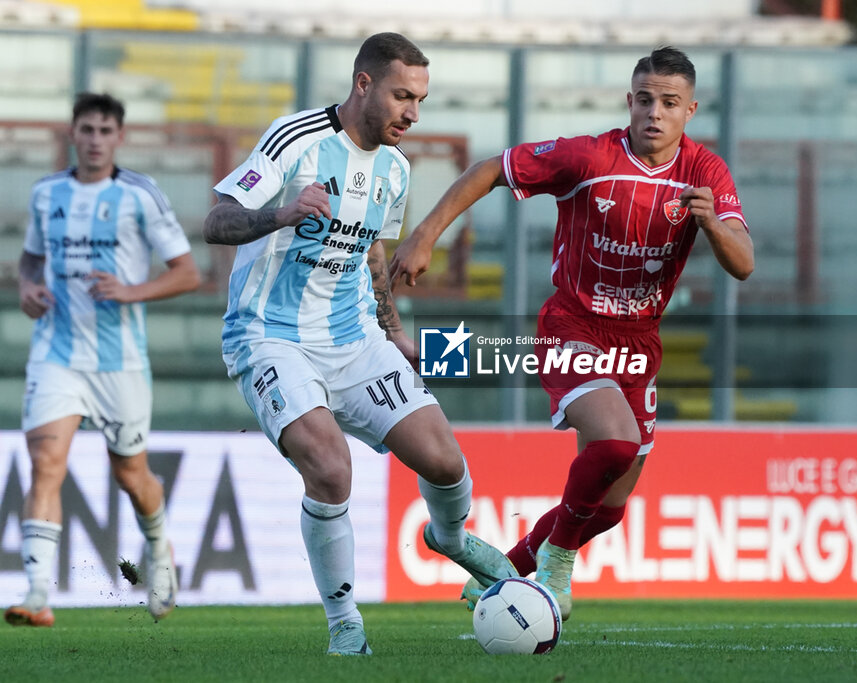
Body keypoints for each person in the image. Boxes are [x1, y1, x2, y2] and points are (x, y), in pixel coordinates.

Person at [390, 47, 754, 620]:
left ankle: (502, 570)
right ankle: (558, 565)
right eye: (643, 99)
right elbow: (492, 169)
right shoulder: (589, 156)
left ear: (690, 110)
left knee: (609, 507)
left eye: (668, 102)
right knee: (614, 442)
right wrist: (425, 235)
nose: (653, 112)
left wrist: (711, 223)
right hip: (573, 326)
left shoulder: (706, 173)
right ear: (628, 101)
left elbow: (743, 261)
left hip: (641, 344)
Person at [202, 32, 515, 656]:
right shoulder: (296, 140)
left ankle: (449, 540)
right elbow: (215, 221)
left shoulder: (396, 170)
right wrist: (281, 213)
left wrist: (394, 332)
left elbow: (372, 253)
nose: (413, 113)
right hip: (270, 337)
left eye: (421, 100)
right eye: (403, 95)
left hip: (354, 338)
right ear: (363, 84)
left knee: (446, 463)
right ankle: (346, 625)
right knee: (330, 467)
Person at [7, 93, 201, 628]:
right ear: (72, 133)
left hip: (120, 363)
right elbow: (29, 259)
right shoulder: (47, 193)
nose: (95, 140)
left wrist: (130, 290)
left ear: (119, 137)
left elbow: (187, 273)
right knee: (46, 464)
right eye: (86, 129)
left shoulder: (140, 194)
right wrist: (26, 286)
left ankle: (160, 549)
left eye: (104, 131)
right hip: (56, 353)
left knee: (130, 474)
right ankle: (38, 593)